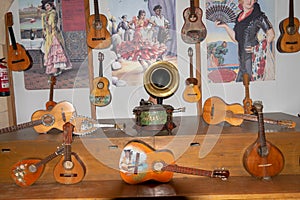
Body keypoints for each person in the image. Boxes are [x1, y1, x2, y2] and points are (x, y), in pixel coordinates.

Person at [215, 0, 274, 82]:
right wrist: (225, 26)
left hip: (253, 59)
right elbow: (236, 39)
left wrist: (256, 48)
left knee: (252, 85)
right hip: (242, 59)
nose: (249, 1)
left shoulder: (259, 16)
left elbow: (271, 34)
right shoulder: (239, 17)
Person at [40, 0, 72, 76]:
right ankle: (52, 69)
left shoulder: (53, 13)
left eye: (48, 5)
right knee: (50, 51)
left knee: (56, 51)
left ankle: (58, 68)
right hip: (48, 34)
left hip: (54, 33)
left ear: (51, 5)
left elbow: (51, 24)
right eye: (45, 6)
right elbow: (44, 25)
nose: (46, 7)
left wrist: (46, 20)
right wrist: (45, 31)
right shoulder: (45, 14)